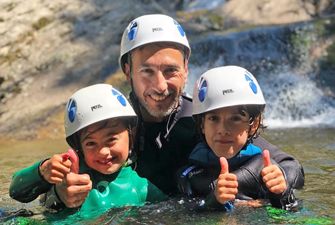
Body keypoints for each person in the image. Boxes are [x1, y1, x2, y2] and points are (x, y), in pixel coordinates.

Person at [44, 14, 304, 208]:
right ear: (127, 71)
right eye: (147, 71)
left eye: (171, 71)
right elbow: (53, 191)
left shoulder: (207, 117)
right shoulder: (109, 123)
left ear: (186, 69)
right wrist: (59, 195)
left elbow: (290, 167)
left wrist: (260, 180)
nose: (160, 86)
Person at [9, 84, 166, 218]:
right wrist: (42, 171)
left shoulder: (141, 188)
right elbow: (16, 191)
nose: (103, 151)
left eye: (111, 139)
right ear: (79, 147)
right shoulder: (67, 174)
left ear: (131, 135)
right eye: (91, 143)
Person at [177, 65, 300, 211]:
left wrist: (281, 192)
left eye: (235, 119)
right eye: (214, 118)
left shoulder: (266, 170)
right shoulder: (188, 176)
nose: (223, 130)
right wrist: (215, 200)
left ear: (253, 125)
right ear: (202, 124)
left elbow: (289, 211)